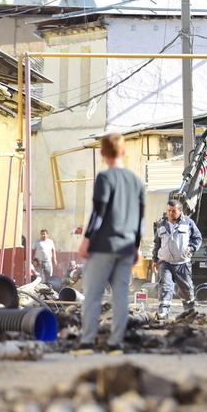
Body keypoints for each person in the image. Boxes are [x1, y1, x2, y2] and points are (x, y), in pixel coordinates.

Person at [77, 133, 145, 352]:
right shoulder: (136, 181)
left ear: (102, 153)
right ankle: (116, 344)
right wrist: (136, 246)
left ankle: (87, 342)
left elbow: (99, 211)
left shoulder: (104, 178)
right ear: (124, 152)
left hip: (104, 246)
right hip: (126, 247)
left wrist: (87, 238)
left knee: (93, 296)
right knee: (121, 296)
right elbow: (140, 218)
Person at [153, 199, 203, 320]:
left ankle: (189, 312)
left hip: (183, 263)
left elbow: (198, 238)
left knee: (186, 289)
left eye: (173, 211)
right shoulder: (161, 224)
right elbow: (157, 243)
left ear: (180, 211)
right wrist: (154, 260)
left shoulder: (188, 223)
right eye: (168, 211)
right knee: (165, 286)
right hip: (165, 262)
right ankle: (163, 312)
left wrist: (191, 248)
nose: (170, 213)